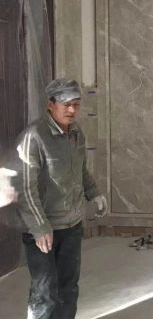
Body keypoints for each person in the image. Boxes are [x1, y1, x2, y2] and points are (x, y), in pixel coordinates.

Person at [13, 78, 107, 319]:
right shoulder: (34, 136)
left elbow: (81, 170)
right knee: (45, 293)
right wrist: (39, 226)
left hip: (71, 225)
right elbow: (26, 188)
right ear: (51, 104)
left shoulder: (76, 133)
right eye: (66, 104)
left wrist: (94, 193)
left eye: (76, 104)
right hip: (43, 229)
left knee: (69, 288)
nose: (72, 110)